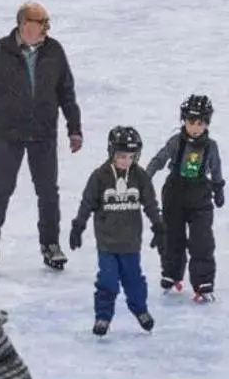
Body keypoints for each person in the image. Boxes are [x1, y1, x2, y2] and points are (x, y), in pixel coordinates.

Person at [0, 2, 84, 273]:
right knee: (1, 190)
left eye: (47, 21)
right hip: (8, 135)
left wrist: (74, 127)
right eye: (41, 21)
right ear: (24, 24)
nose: (47, 27)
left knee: (48, 193)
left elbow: (66, 91)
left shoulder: (54, 50)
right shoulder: (0, 50)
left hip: (43, 134)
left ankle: (51, 245)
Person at [69, 125, 162, 338]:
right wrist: (78, 225)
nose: (126, 161)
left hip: (130, 243)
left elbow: (150, 203)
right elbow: (87, 203)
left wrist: (158, 225)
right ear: (111, 152)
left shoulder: (139, 176)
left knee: (134, 280)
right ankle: (103, 316)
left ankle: (140, 310)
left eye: (131, 156)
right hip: (107, 244)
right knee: (107, 281)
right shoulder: (100, 176)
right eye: (121, 156)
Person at [146, 93, 224, 301]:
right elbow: (159, 160)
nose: (195, 128)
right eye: (191, 122)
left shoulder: (211, 146)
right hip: (175, 194)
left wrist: (218, 189)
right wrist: (145, 178)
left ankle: (203, 281)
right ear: (184, 121)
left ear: (207, 124)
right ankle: (171, 273)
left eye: (200, 123)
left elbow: (216, 169)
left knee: (202, 240)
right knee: (173, 237)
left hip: (200, 196)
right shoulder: (176, 142)